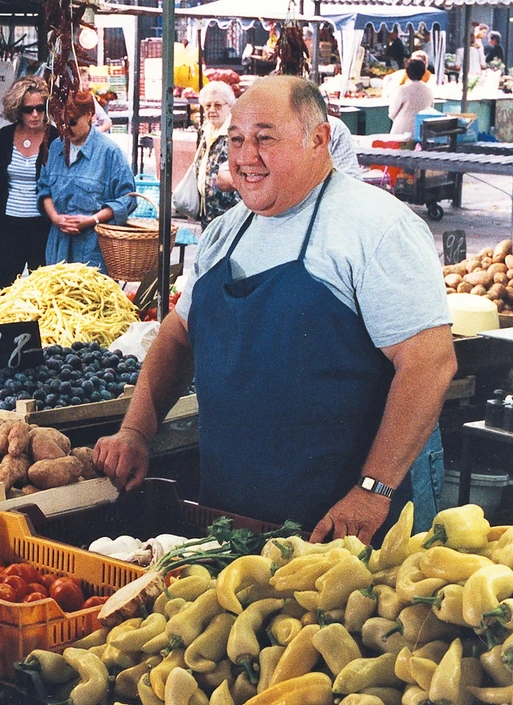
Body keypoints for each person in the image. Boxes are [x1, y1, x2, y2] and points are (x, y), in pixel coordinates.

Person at [94, 76, 456, 543]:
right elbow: (178, 336)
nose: (246, 156)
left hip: (339, 530)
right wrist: (135, 431)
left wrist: (373, 489)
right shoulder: (225, 231)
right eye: (236, 140)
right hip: (229, 515)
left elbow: (429, 363)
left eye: (265, 139)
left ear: (319, 139)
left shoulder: (376, 227)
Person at [37, 90, 136, 274]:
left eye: (72, 122)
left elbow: (127, 199)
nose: (67, 129)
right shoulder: (55, 147)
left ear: (89, 115)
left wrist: (92, 219)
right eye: (62, 123)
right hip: (58, 248)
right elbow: (44, 189)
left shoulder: (109, 152)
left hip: (93, 250)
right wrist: (56, 218)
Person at [0, 76, 60, 290]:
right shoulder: (3, 137)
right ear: (18, 109)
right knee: (3, 289)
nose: (35, 115)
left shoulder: (55, 138)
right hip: (9, 224)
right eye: (28, 110)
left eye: (40, 108)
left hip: (43, 225)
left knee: (45, 291)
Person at [192, 81, 240, 229]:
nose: (212, 110)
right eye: (208, 106)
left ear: (229, 106)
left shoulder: (236, 134)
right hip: (207, 211)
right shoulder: (204, 130)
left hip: (231, 213)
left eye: (218, 105)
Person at [389, 59, 434, 137]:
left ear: (407, 72)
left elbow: (392, 112)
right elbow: (431, 109)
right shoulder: (429, 90)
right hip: (420, 131)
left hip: (401, 130)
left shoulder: (402, 90)